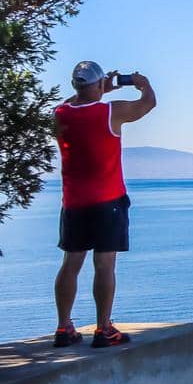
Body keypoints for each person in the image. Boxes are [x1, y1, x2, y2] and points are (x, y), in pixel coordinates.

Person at [52, 61, 156, 348]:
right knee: (105, 264)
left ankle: (63, 327)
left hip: (73, 202)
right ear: (99, 84)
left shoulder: (60, 114)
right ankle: (103, 328)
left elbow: (71, 104)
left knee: (71, 263)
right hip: (108, 201)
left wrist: (95, 90)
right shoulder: (111, 111)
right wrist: (141, 82)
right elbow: (148, 104)